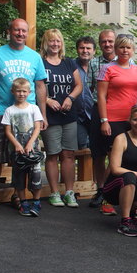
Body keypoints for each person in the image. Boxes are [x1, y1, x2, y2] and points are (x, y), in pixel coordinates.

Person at [0, 18, 47, 213]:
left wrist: (42, 115)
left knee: (26, 157)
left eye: (24, 31)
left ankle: (19, 195)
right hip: (2, 112)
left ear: (28, 33)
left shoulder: (34, 56)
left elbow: (41, 85)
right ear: (9, 31)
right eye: (16, 30)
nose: (20, 34)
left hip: (27, 116)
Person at [97, 35, 137, 215]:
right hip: (113, 119)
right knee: (114, 161)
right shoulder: (107, 68)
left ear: (133, 50)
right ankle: (105, 197)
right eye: (122, 47)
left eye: (129, 48)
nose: (125, 51)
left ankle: (130, 197)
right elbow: (101, 96)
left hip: (134, 120)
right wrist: (104, 120)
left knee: (133, 159)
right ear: (116, 49)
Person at [40, 29, 83, 208]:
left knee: (68, 154)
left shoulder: (69, 62)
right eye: (52, 41)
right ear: (45, 43)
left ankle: (69, 192)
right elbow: (38, 87)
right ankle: (54, 192)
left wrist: (70, 98)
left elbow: (79, 85)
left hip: (68, 115)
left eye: (58, 41)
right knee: (52, 154)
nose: (55, 44)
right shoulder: (40, 63)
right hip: (50, 116)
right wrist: (47, 100)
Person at [102, 106, 137, 237]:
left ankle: (132, 212)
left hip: (130, 185)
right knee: (129, 176)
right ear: (129, 120)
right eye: (135, 120)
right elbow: (115, 168)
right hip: (113, 187)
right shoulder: (121, 139)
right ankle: (125, 221)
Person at [2, 78, 44, 217]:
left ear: (29, 92)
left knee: (36, 175)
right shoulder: (9, 110)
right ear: (13, 92)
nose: (21, 94)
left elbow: (37, 127)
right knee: (19, 176)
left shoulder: (34, 108)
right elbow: (8, 131)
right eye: (18, 91)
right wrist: (17, 144)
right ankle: (23, 202)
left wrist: (31, 142)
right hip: (17, 149)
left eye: (24, 91)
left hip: (33, 148)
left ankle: (37, 202)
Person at [88, 29, 117, 208]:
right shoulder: (93, 63)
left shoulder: (127, 62)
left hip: (117, 112)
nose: (107, 44)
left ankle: (109, 188)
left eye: (110, 41)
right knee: (98, 153)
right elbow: (90, 88)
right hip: (99, 110)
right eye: (103, 41)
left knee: (114, 152)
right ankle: (100, 188)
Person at [74, 36, 97, 150]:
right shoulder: (70, 66)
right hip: (78, 116)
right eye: (82, 48)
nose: (85, 51)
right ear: (77, 49)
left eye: (88, 48)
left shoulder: (100, 67)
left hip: (96, 114)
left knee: (97, 149)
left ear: (94, 51)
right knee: (82, 145)